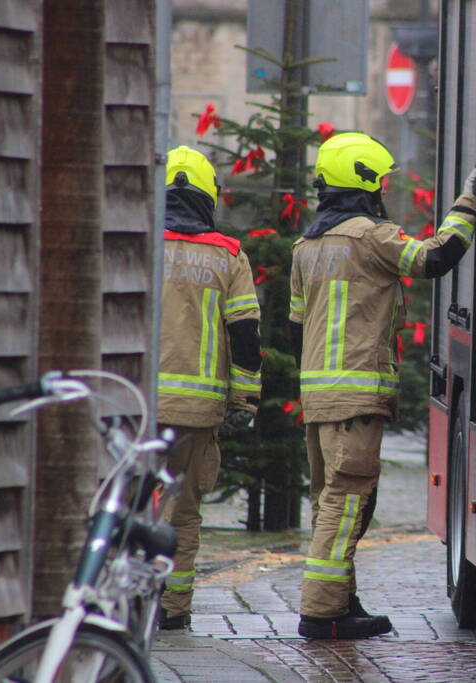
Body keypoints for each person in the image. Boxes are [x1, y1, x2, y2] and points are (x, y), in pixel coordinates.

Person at [289, 132, 476, 640]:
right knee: (347, 501)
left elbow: (295, 325)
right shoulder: (371, 237)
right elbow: (435, 258)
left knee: (332, 500)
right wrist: (470, 201)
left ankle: (340, 602)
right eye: (381, 181)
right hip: (356, 394)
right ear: (367, 183)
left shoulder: (305, 246)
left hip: (318, 396)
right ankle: (321, 611)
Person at [158, 145, 262, 629]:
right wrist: (244, 400)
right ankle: (171, 610)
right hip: (196, 413)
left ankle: (121, 603)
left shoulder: (139, 243)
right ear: (207, 196)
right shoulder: (227, 254)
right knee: (181, 515)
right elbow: (245, 332)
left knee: (126, 502)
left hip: (136, 406)